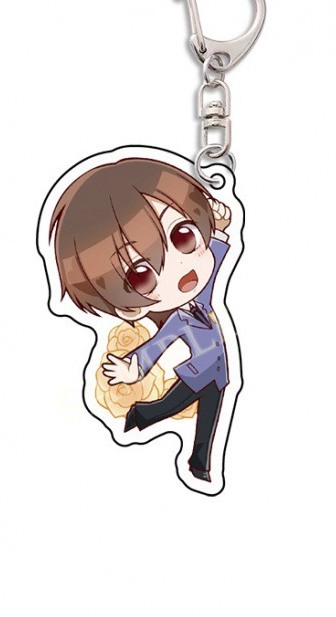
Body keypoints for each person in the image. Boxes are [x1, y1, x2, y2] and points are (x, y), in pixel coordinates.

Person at [49, 157, 232, 481]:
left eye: (183, 236)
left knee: (210, 411)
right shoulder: (178, 320)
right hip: (199, 372)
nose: (180, 267)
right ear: (129, 308)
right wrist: (132, 369)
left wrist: (217, 226)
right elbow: (157, 345)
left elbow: (214, 258)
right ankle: (144, 417)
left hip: (218, 371)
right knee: (174, 405)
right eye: (142, 275)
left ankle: (197, 462)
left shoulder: (203, 295)